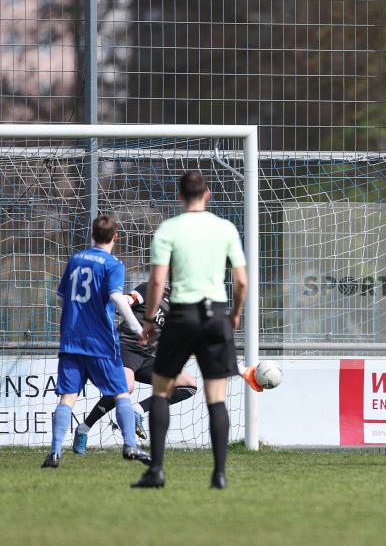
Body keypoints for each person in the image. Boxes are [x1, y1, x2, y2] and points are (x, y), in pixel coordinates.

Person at [131, 170, 248, 489]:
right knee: (216, 397)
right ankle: (219, 474)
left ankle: (156, 471)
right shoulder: (224, 228)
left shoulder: (169, 228)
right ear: (207, 194)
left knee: (160, 390)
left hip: (181, 316)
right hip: (215, 316)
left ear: (180, 197)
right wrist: (234, 314)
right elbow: (241, 281)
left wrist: (150, 319)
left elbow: (156, 281)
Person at [42, 215, 151, 468]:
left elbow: (60, 298)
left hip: (71, 340)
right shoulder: (113, 264)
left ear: (92, 234)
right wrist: (137, 328)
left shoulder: (75, 260)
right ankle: (129, 446)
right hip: (100, 341)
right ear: (116, 236)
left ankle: (55, 452)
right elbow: (115, 296)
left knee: (68, 397)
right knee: (121, 393)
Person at [71, 282, 198, 453]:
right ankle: (83, 429)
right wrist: (123, 302)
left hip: (151, 357)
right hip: (126, 346)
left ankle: (137, 410)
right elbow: (127, 301)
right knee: (126, 387)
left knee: (188, 385)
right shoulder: (152, 288)